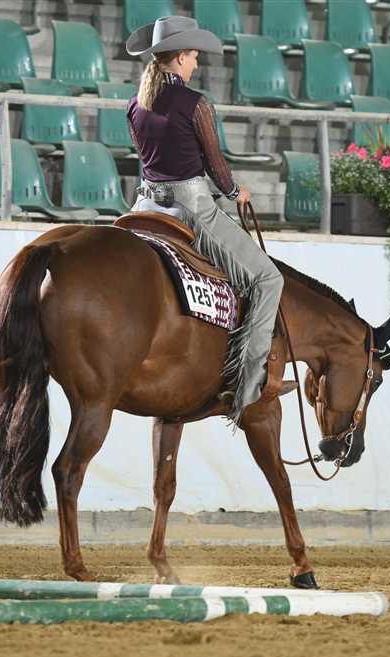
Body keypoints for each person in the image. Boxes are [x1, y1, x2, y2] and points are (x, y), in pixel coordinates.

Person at [125, 16, 284, 425]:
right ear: (180, 57)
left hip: (145, 208)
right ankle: (249, 387)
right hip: (190, 208)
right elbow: (216, 165)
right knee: (269, 280)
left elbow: (151, 160)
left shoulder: (135, 105)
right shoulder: (196, 104)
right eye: (194, 57)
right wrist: (235, 192)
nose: (196, 64)